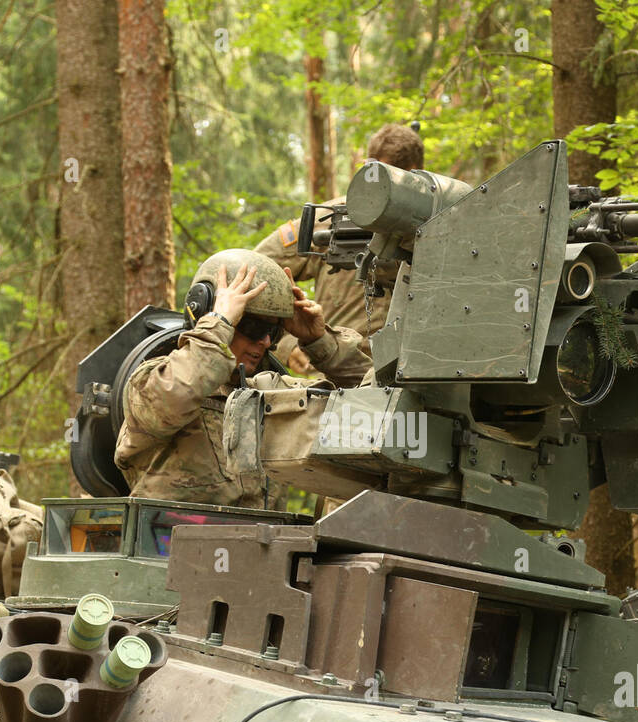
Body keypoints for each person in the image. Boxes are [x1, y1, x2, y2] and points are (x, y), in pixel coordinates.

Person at [114, 249, 370, 507]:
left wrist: (320, 342)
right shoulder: (150, 381)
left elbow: (373, 401)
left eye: (273, 331)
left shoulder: (270, 391)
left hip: (265, 544)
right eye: (254, 328)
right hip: (172, 542)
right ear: (208, 314)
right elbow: (179, 392)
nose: (266, 341)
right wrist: (219, 322)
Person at [256, 123, 425, 371]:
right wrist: (288, 342)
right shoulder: (328, 218)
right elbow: (255, 270)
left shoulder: (439, 223)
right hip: (335, 377)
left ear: (417, 174)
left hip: (414, 375)